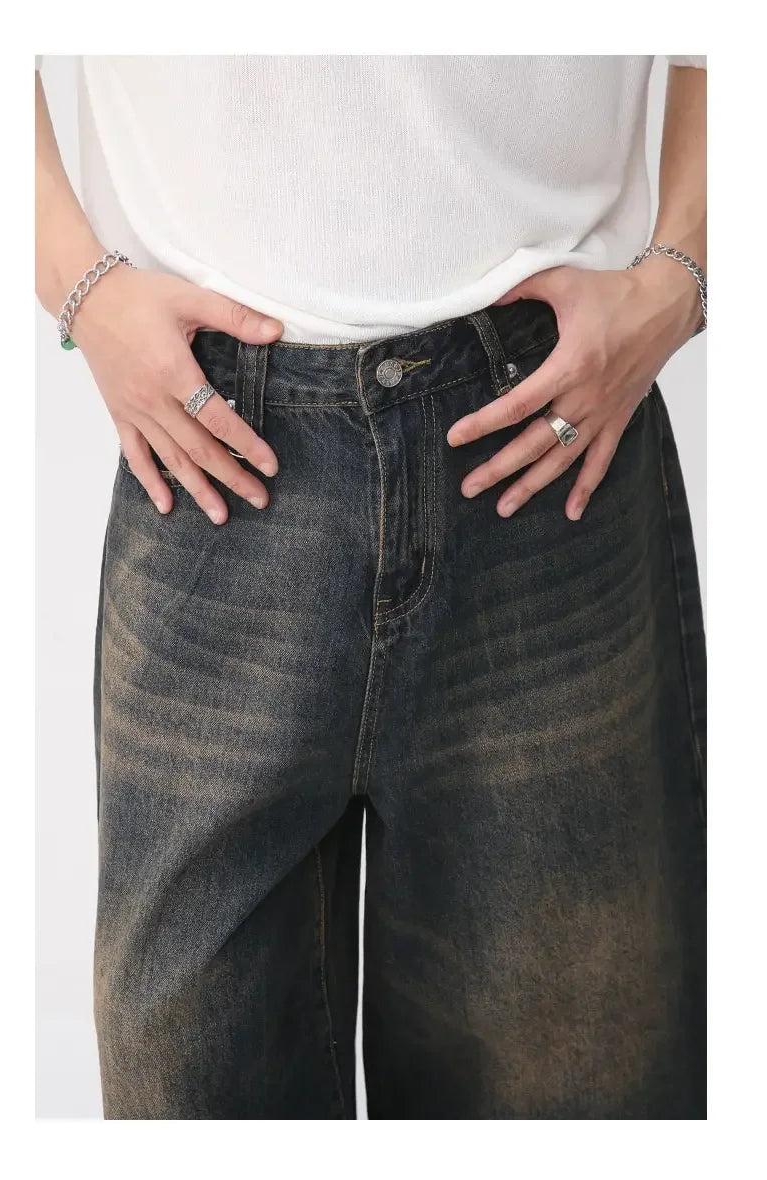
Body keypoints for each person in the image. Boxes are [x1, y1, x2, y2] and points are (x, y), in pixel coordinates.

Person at [35, 55, 707, 1120]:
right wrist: (78, 282)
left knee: (575, 1090)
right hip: (210, 448)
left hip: (546, 445)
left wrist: (681, 276)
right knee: (190, 1095)